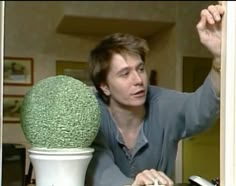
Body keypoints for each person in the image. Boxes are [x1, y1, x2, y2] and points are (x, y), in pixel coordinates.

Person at [85, 3, 224, 186]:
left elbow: (201, 109)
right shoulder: (91, 114)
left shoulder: (163, 103)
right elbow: (97, 166)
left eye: (140, 69)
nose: (138, 79)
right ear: (104, 87)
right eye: (125, 73)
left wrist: (220, 58)